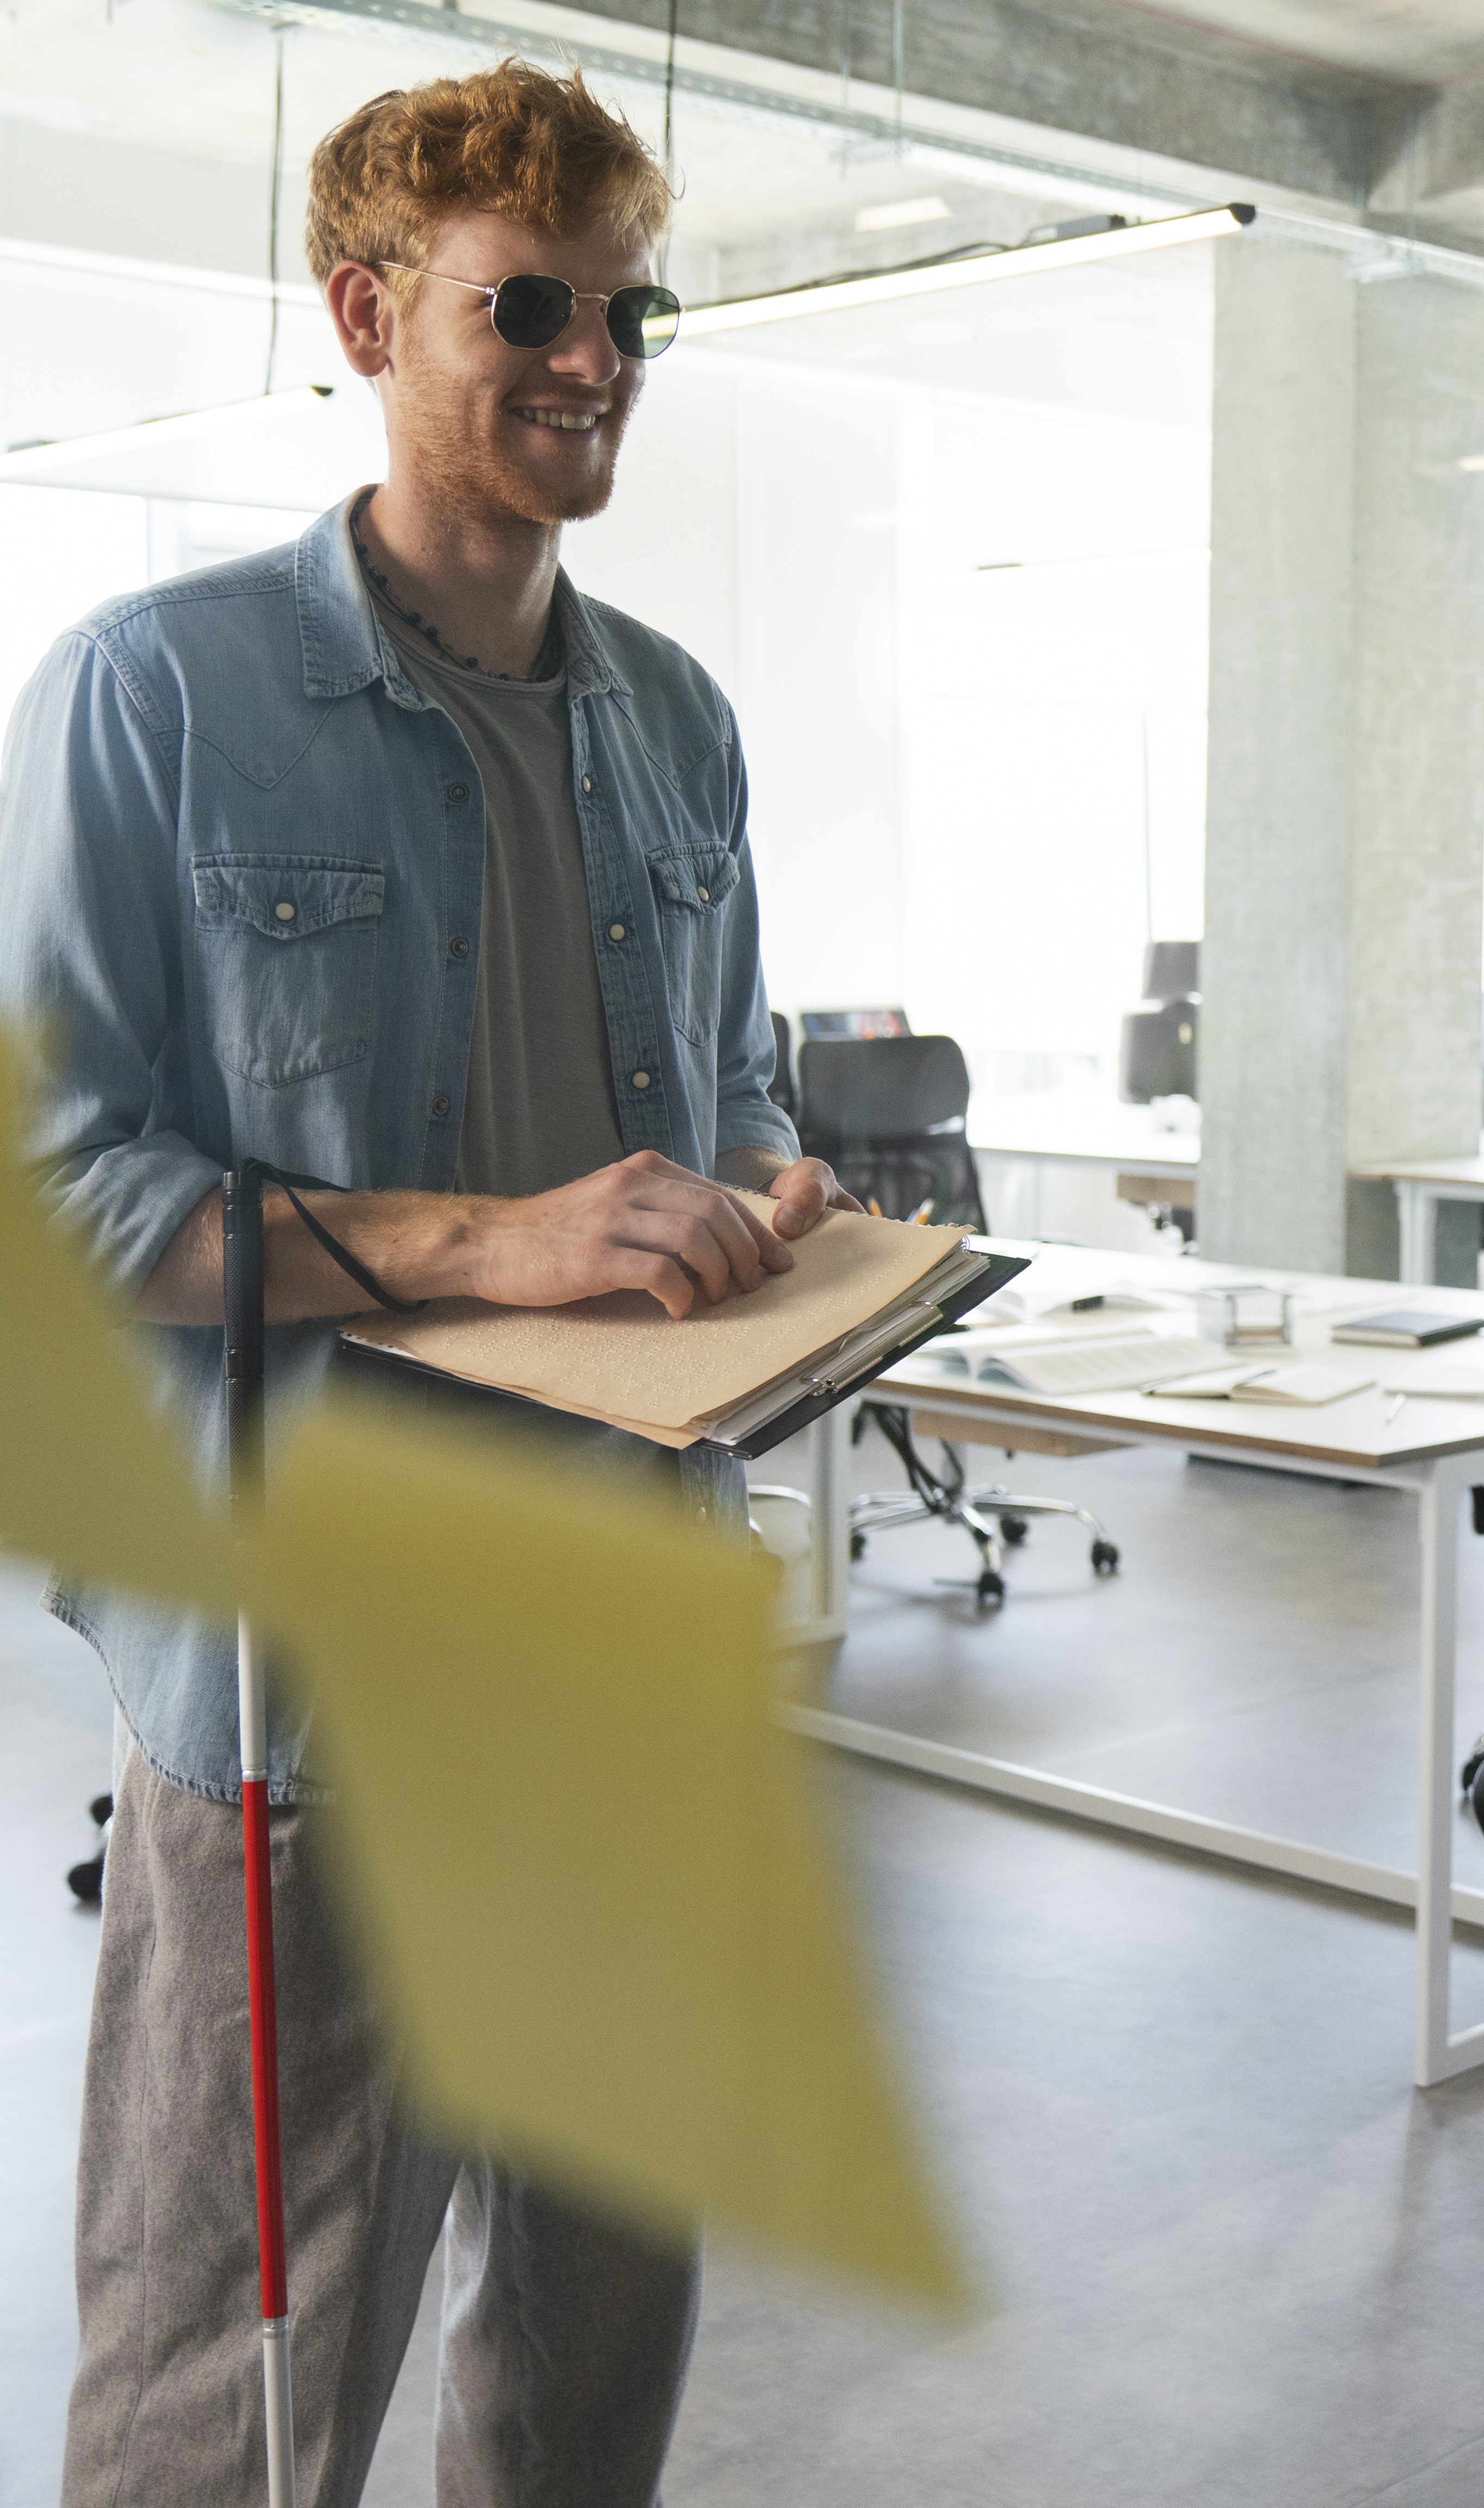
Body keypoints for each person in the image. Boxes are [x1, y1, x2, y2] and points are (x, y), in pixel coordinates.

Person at [0, 62, 853, 2506]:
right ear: (367, 312)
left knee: (592, 2357)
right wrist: (491, 1241)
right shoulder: (157, 699)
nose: (596, 360)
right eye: (533, 309)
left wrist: (768, 1211)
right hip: (311, 1691)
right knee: (231, 2388)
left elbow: (749, 1092)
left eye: (631, 313)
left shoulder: (678, 723)